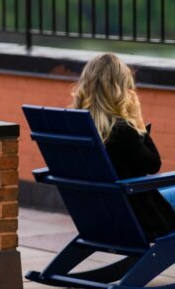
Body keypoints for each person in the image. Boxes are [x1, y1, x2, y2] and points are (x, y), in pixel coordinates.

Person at [72, 52, 175, 238]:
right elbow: (153, 165)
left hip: (100, 218)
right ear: (120, 88)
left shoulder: (77, 128)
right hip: (142, 218)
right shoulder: (122, 131)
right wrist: (138, 122)